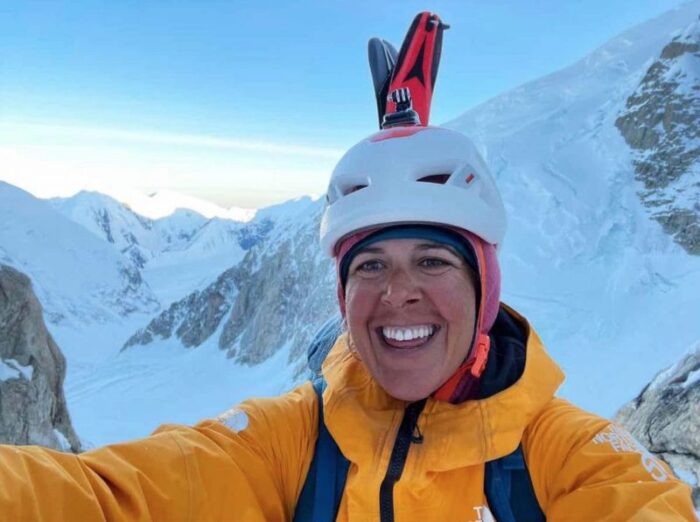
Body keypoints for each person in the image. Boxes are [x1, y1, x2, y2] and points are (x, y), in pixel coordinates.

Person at [0, 122, 695, 521]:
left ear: (485, 288)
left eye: (433, 261)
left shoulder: (562, 457)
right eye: (369, 267)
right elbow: (106, 501)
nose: (398, 294)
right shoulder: (292, 441)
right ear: (341, 294)